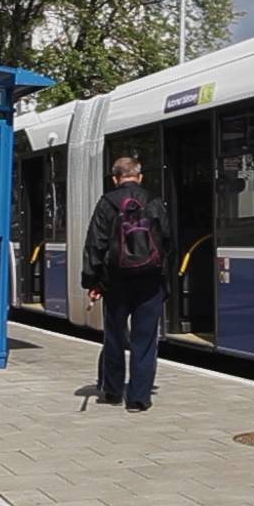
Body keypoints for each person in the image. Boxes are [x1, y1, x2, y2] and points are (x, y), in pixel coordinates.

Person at [81, 156, 172, 412]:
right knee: (145, 341)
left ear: (115, 178)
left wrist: (93, 281)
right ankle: (138, 398)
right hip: (149, 283)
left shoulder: (107, 203)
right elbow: (167, 241)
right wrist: (164, 280)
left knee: (114, 337)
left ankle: (112, 391)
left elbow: (95, 244)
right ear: (139, 176)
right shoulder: (153, 201)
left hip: (116, 283)